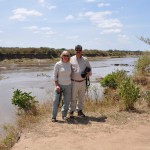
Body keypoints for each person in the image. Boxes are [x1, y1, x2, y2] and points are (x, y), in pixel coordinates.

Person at [69, 45, 92, 119]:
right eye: (77, 50)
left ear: (82, 51)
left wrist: (87, 74)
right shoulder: (71, 59)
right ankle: (71, 111)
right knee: (73, 98)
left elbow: (90, 71)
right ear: (75, 51)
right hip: (73, 82)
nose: (78, 51)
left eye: (79, 50)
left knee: (81, 98)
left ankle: (79, 111)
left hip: (83, 82)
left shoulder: (85, 59)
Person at [51, 51, 72, 122]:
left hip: (68, 85)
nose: (66, 57)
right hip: (59, 85)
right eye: (64, 55)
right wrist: (57, 85)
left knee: (66, 101)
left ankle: (64, 115)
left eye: (67, 55)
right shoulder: (58, 64)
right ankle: (53, 117)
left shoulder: (70, 64)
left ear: (69, 57)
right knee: (55, 101)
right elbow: (54, 75)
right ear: (62, 56)